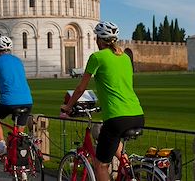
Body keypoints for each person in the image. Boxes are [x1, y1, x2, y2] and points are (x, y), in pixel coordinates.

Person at [61, 21, 144, 181]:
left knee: (100, 165)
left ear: (99, 39)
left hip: (116, 117)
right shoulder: (125, 58)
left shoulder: (97, 57)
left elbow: (80, 89)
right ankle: (128, 170)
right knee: (113, 139)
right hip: (137, 114)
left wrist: (68, 106)